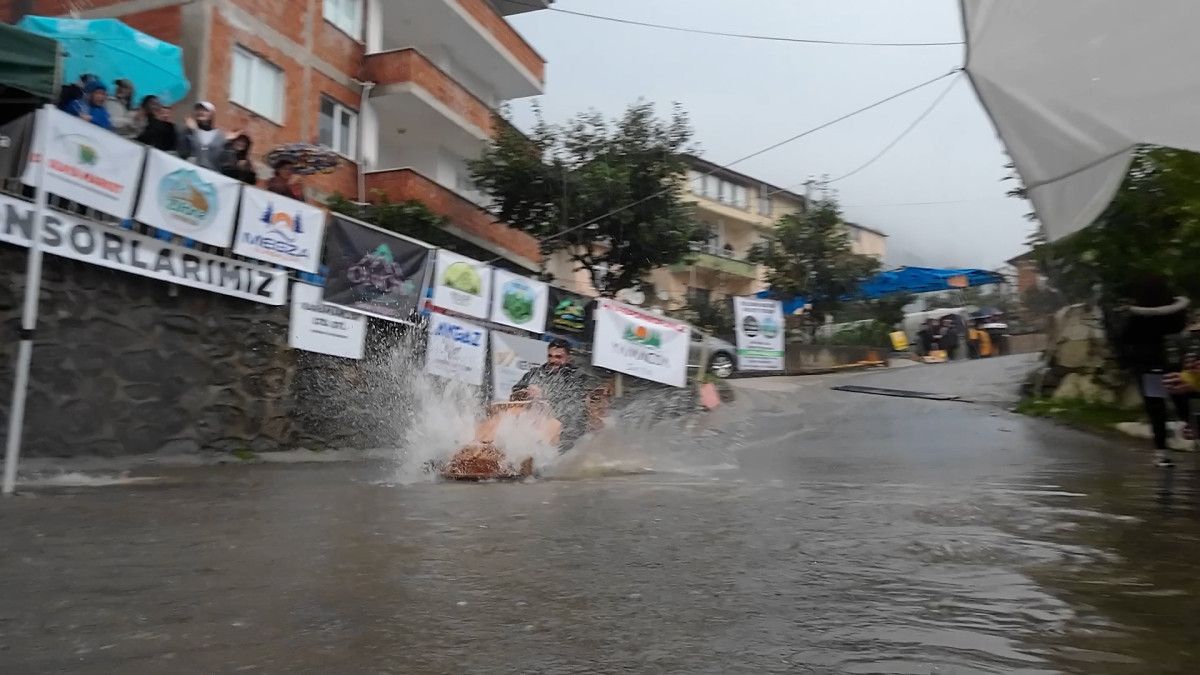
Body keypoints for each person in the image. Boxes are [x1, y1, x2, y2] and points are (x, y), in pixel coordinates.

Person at [1115, 274, 1191, 466]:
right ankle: (1191, 435)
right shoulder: (1177, 312)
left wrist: (1126, 360)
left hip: (1151, 367)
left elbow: (1125, 338)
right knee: (1184, 403)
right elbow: (1183, 332)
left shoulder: (1137, 316)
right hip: (1175, 364)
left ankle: (1162, 453)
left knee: (1157, 408)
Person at [511, 338, 588, 451]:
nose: (553, 360)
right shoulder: (535, 373)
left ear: (568, 357)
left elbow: (572, 399)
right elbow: (516, 390)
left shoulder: (576, 376)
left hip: (566, 427)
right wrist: (525, 391)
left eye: (558, 357)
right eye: (550, 356)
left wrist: (543, 395)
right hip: (535, 422)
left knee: (552, 427)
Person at [178, 101, 227, 171]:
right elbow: (182, 152)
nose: (201, 112)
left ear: (212, 114)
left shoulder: (219, 136)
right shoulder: (188, 131)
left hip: (211, 175)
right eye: (198, 109)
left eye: (205, 110)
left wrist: (195, 131)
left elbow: (217, 157)